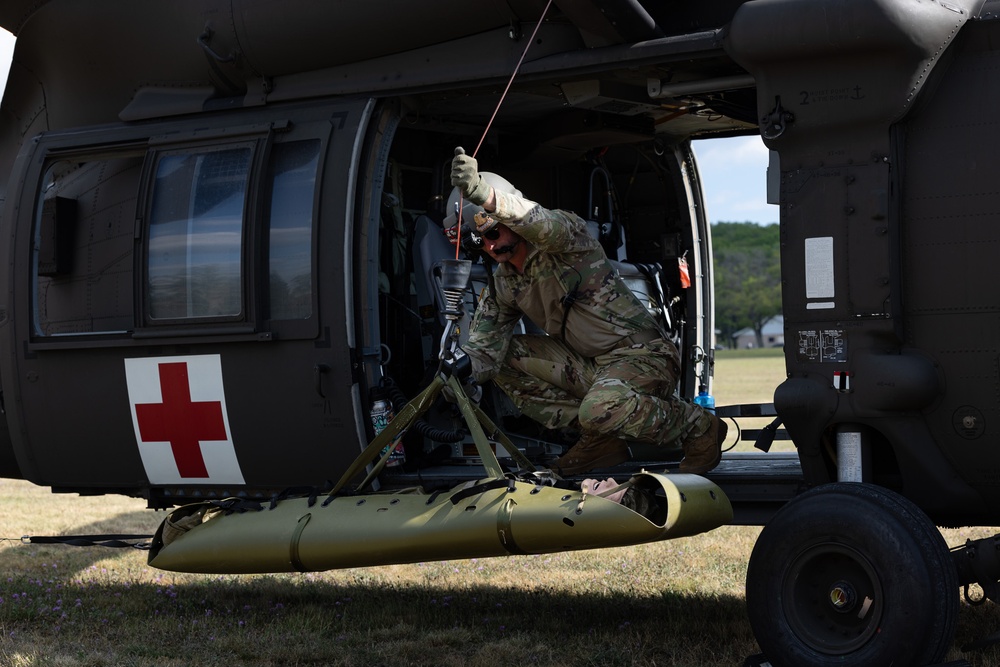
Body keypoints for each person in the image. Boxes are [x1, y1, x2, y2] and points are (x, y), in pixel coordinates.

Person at [448, 148, 727, 476]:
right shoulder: (505, 283)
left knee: (600, 407)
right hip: (594, 368)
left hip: (644, 355)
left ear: (511, 220)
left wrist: (486, 196)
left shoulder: (568, 242)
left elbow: (542, 223)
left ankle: (697, 426)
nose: (491, 246)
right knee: (503, 358)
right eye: (481, 242)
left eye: (493, 232)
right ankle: (598, 438)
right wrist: (456, 377)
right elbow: (484, 346)